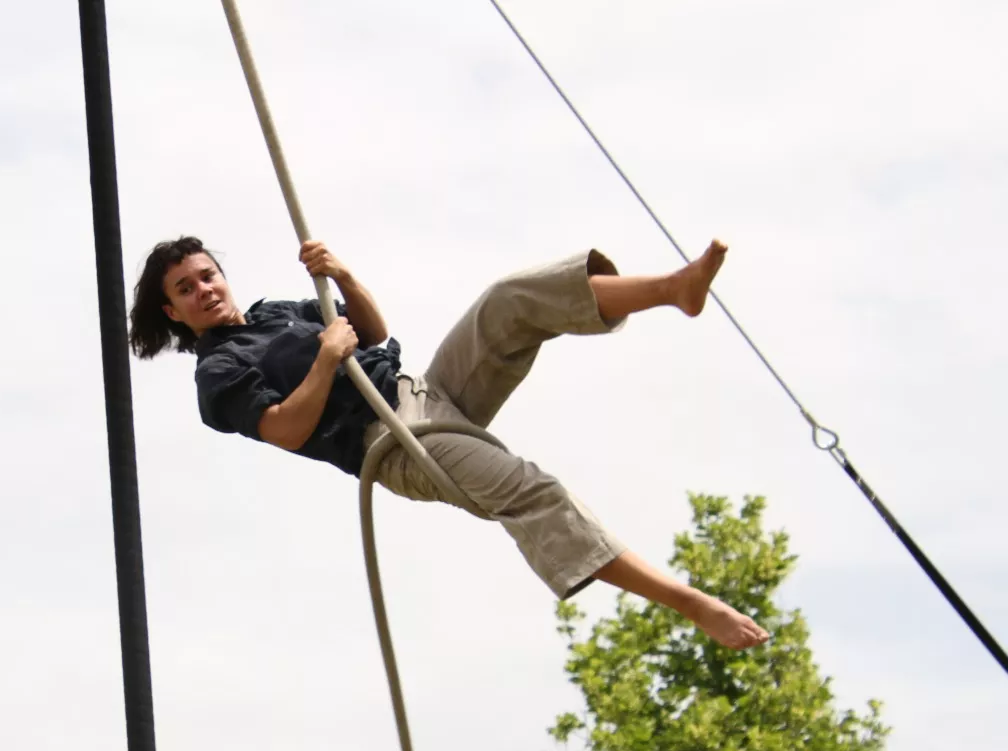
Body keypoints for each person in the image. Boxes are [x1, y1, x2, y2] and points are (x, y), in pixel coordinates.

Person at [126, 235, 770, 649]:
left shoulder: (278, 314)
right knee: (528, 489)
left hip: (421, 391)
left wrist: (345, 277)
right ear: (173, 315)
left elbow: (371, 333)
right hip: (395, 444)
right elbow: (287, 430)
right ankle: (692, 604)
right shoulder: (218, 374)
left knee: (508, 300)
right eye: (186, 290)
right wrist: (324, 361)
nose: (204, 290)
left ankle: (674, 290)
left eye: (208, 276)